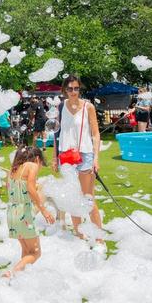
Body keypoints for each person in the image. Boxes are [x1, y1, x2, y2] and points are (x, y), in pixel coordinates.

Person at [56, 75, 104, 240]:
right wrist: (55, 158)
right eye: (70, 88)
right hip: (66, 155)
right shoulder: (60, 106)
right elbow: (57, 133)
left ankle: (99, 239)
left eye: (76, 88)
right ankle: (79, 236)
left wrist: (96, 158)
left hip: (85, 154)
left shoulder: (88, 107)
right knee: (72, 198)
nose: (73, 91)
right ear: (65, 90)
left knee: (88, 198)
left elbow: (96, 134)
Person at [2, 146, 57, 278]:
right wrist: (44, 210)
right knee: (35, 253)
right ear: (37, 158)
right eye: (41, 163)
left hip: (12, 213)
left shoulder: (14, 169)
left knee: (26, 251)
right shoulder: (32, 166)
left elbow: (12, 188)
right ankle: (11, 273)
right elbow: (31, 189)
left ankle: (19, 278)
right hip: (24, 214)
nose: (39, 166)